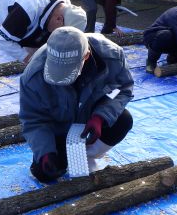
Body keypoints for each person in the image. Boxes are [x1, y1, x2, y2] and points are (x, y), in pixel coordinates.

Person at [19, 27, 134, 182]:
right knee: (44, 172)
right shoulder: (32, 77)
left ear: (86, 56)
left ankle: (87, 155)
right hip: (59, 126)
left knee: (123, 120)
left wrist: (100, 117)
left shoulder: (112, 56)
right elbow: (33, 119)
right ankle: (65, 155)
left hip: (91, 118)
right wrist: (46, 152)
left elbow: (123, 89)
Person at [0, 0, 87, 120]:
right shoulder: (29, 7)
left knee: (43, 59)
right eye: (61, 31)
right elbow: (2, 40)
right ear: (59, 19)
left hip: (27, 18)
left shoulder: (66, 7)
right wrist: (27, 57)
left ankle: (48, 101)